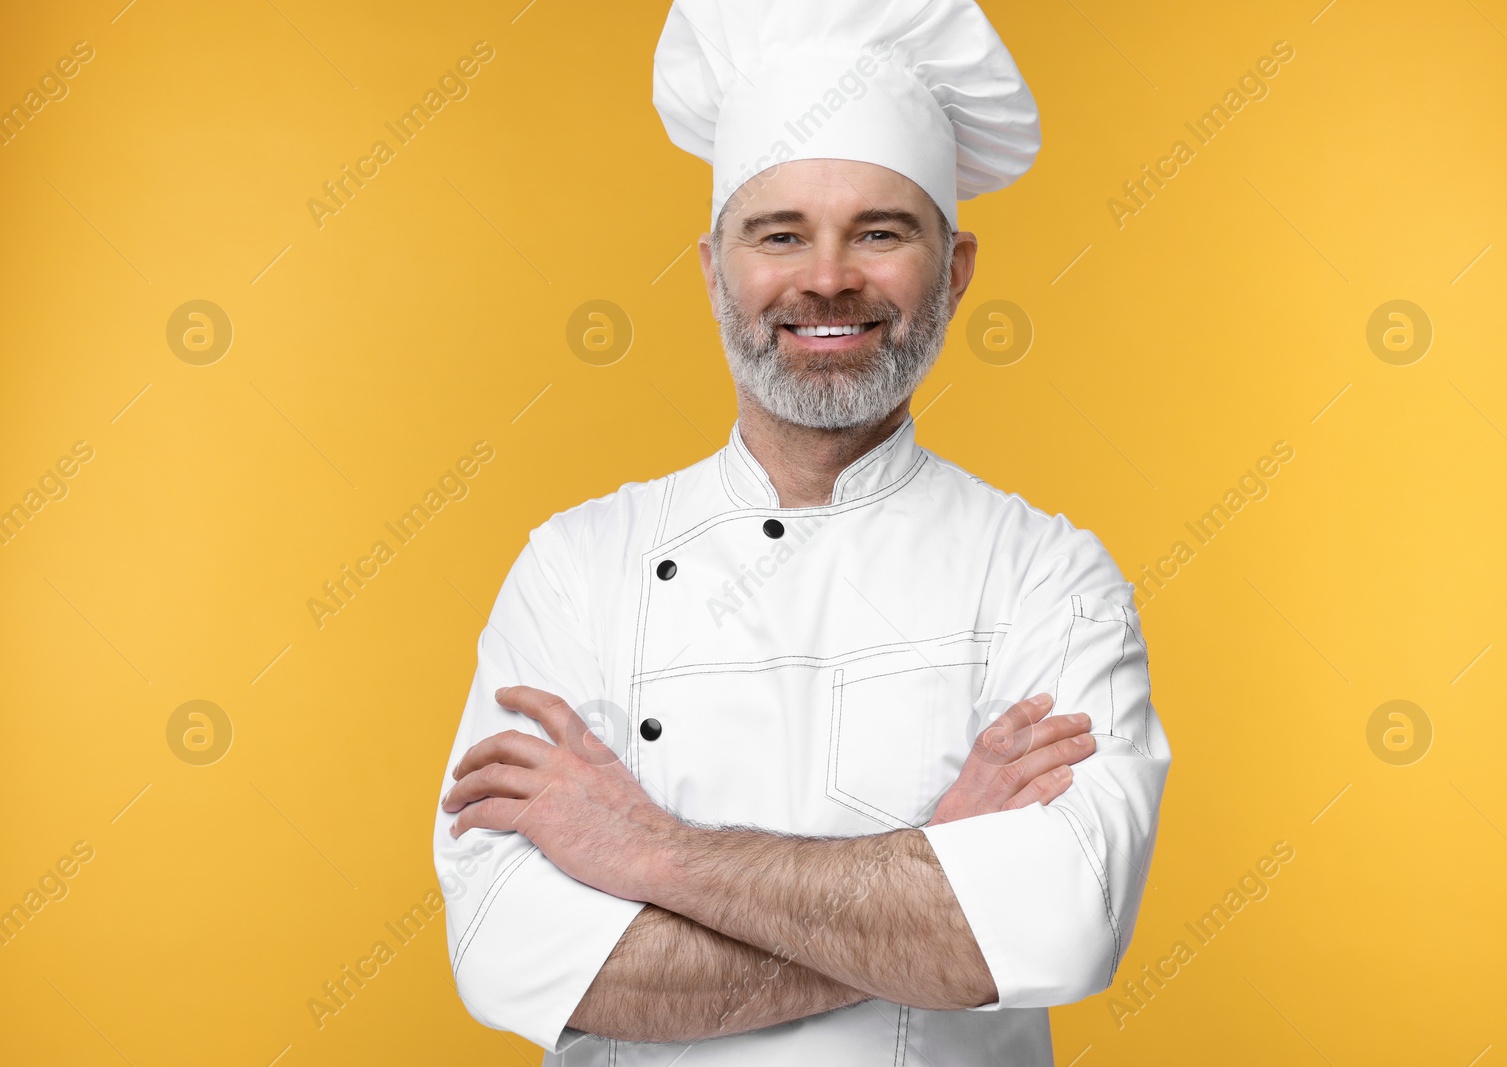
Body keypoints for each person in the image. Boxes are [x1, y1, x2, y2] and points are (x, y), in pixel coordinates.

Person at [433, 1, 1172, 1062]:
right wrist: (934, 875)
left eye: (879, 231)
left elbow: (1058, 923)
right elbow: (513, 954)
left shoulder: (1047, 574)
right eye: (778, 233)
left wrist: (651, 854)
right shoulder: (574, 568)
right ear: (712, 268)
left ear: (954, 270)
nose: (826, 277)